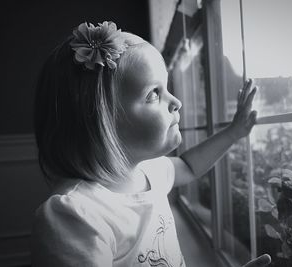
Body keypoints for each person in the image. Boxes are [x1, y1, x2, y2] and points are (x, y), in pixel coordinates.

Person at [32, 21, 271, 267]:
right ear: (100, 122)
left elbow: (189, 166)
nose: (176, 101)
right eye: (153, 94)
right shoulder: (75, 216)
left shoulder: (148, 171)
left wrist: (233, 133)